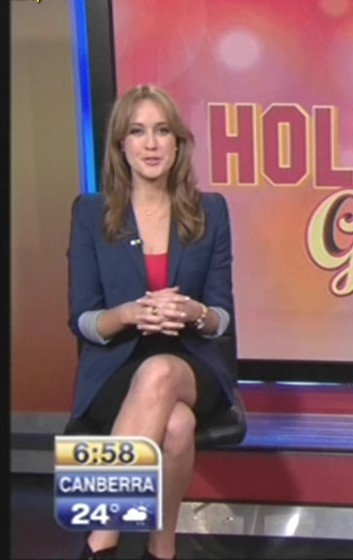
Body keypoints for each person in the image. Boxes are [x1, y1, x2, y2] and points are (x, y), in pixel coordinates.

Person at [66, 85, 237, 560]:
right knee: (177, 426)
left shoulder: (210, 211)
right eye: (138, 132)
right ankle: (162, 550)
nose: (151, 143)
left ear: (178, 144)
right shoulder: (91, 213)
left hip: (190, 363)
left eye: (162, 131)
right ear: (120, 145)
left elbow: (222, 317)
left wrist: (193, 312)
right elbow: (82, 320)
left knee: (160, 373)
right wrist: (127, 314)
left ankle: (100, 539)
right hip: (116, 368)